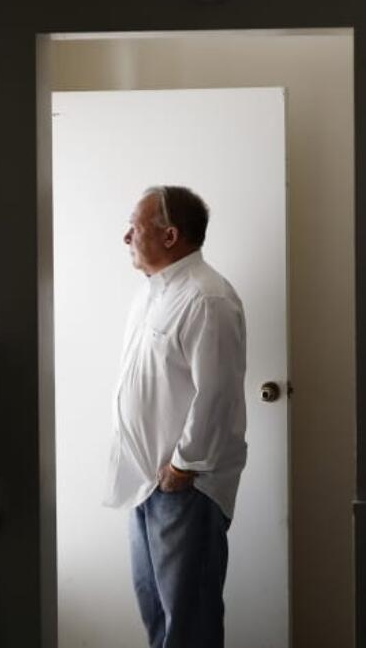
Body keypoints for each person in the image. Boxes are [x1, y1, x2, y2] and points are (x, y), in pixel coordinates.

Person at [103, 185, 248, 648]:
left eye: (137, 226)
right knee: (159, 620)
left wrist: (183, 466)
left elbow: (217, 393)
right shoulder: (152, 294)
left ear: (169, 236)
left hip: (186, 486)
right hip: (149, 484)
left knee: (190, 624)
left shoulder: (208, 298)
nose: (126, 237)